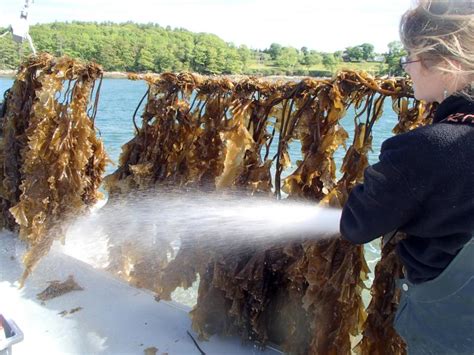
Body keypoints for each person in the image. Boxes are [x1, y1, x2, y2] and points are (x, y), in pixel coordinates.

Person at [339, 0, 474, 353]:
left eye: (410, 58)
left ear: (448, 63)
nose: (407, 70)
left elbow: (357, 226)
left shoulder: (424, 150)